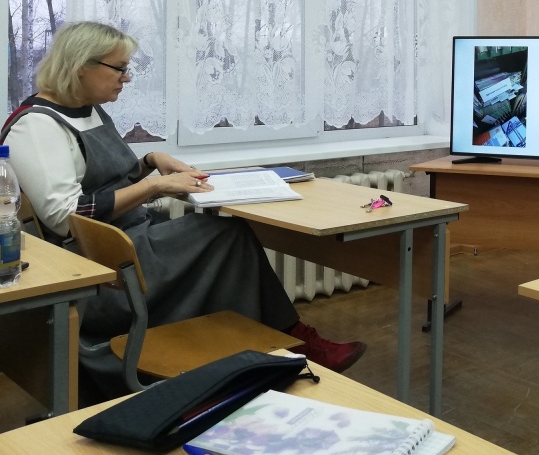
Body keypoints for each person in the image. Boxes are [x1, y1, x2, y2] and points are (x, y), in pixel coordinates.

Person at [0, 21, 366, 385]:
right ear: (81, 65)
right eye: (120, 69)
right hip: (100, 265)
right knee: (227, 236)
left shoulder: (88, 108)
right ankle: (291, 341)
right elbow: (65, 216)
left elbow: (107, 181)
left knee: (225, 240)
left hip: (128, 238)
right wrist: (154, 187)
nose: (127, 78)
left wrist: (151, 161)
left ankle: (261, 350)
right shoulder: (36, 127)